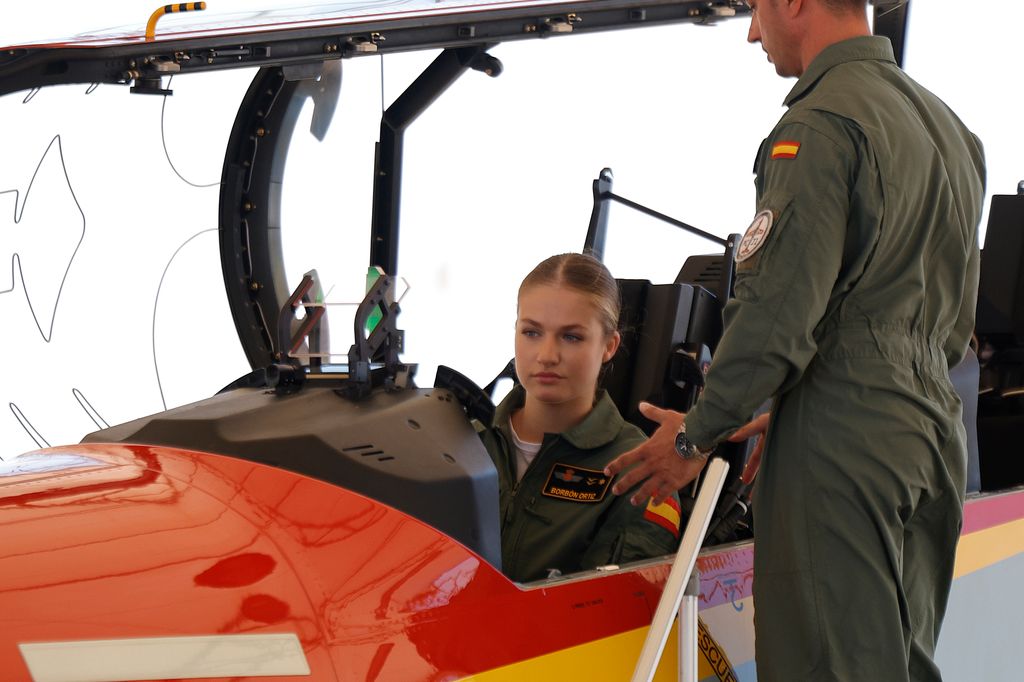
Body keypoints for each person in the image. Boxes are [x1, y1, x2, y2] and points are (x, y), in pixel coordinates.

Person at [605, 1, 986, 680]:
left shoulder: (817, 126)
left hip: (844, 446)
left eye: (755, 7)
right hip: (932, 437)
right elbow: (928, 326)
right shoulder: (953, 134)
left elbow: (776, 319)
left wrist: (695, 436)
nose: (753, 31)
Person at [478, 252, 682, 583]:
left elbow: (616, 614)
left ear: (609, 346)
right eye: (531, 332)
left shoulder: (641, 470)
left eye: (571, 337)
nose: (546, 356)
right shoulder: (462, 443)